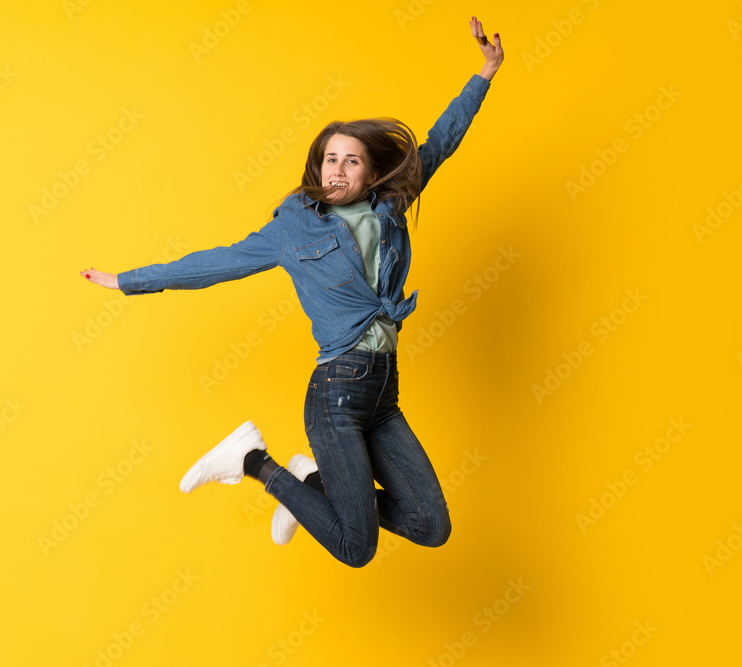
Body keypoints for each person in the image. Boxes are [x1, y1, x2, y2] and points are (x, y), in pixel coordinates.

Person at [81, 16, 503, 568]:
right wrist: (128, 281)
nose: (338, 169)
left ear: (371, 171)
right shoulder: (294, 228)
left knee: (430, 525)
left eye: (352, 160)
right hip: (337, 392)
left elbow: (439, 143)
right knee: (358, 547)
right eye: (330, 158)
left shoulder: (389, 205)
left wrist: (485, 74)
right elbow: (217, 264)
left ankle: (312, 480)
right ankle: (254, 462)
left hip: (383, 394)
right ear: (318, 165)